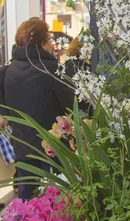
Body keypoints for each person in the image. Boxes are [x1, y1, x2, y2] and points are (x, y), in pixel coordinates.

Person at [0, 19, 75, 200]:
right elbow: (71, 106)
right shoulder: (53, 70)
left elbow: (6, 111)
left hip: (23, 149)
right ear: (43, 44)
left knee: (28, 204)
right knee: (57, 201)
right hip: (54, 150)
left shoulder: (7, 72)